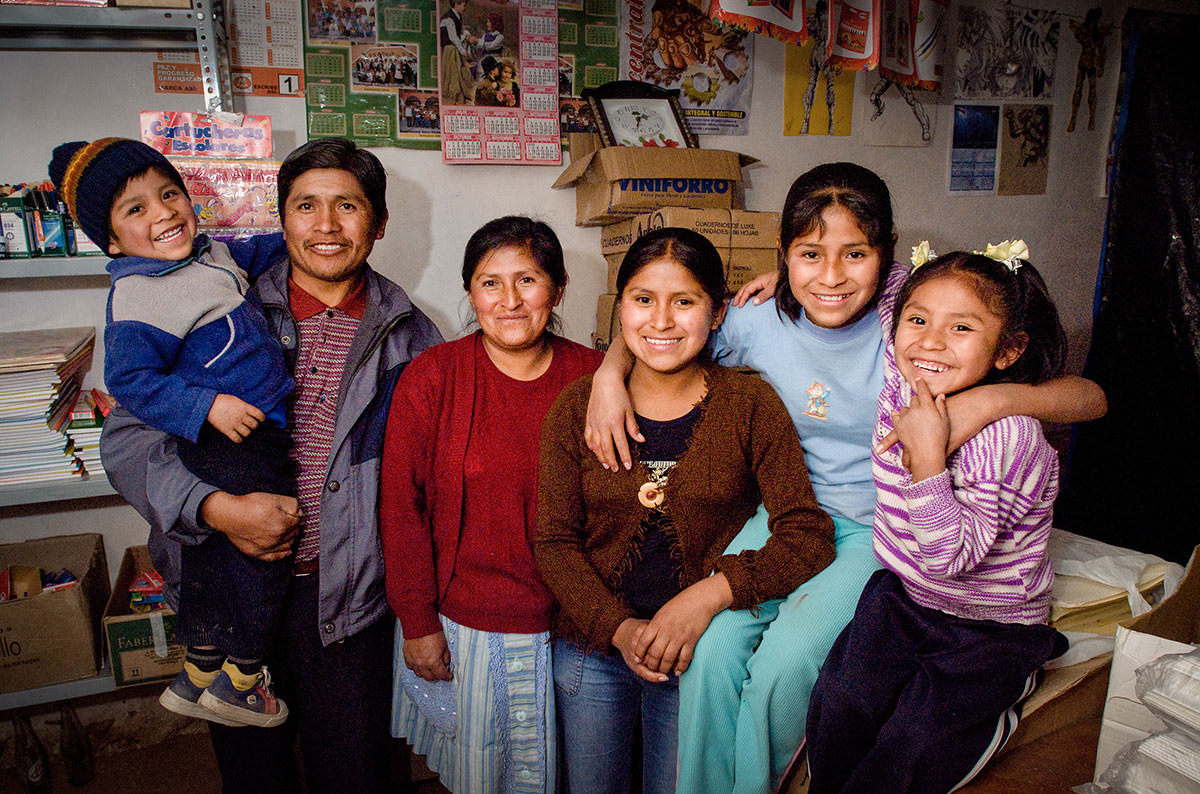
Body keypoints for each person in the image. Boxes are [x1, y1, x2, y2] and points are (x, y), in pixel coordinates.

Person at [585, 163, 1107, 794]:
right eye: (809, 255)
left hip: (878, 527)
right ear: (784, 254)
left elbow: (1090, 398)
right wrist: (607, 376)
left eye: (854, 254)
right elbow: (665, 329)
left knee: (782, 667)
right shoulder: (754, 321)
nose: (830, 278)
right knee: (713, 652)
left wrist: (989, 403)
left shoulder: (906, 324)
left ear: (887, 260)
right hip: (783, 517)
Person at [101, 137, 443, 794]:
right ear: (279, 217)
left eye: (348, 206)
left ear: (378, 223)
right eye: (306, 205)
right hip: (227, 589)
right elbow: (125, 442)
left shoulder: (411, 338)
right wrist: (218, 510)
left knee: (358, 772)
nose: (325, 225)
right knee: (254, 774)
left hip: (345, 605)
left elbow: (423, 484)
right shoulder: (211, 302)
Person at [535, 228, 836, 794]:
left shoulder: (749, 404)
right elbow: (554, 541)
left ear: (718, 311)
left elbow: (807, 534)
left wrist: (710, 595)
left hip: (696, 659)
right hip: (592, 652)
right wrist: (617, 628)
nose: (662, 321)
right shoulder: (578, 406)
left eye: (685, 301)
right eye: (643, 299)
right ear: (619, 307)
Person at [48, 138, 293, 729]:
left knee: (212, 561)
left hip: (247, 429)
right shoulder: (138, 294)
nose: (162, 213)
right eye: (136, 209)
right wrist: (208, 405)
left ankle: (200, 667)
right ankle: (243, 678)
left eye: (169, 194)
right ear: (109, 240)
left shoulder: (211, 255)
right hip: (232, 439)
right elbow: (131, 381)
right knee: (261, 555)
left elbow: (258, 250)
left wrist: (305, 228)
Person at [806, 243, 1068, 793]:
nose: (930, 340)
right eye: (918, 320)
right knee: (840, 701)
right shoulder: (906, 373)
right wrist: (786, 269)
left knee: (916, 740)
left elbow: (952, 557)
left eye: (962, 330)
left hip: (989, 626)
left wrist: (928, 458)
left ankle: (998, 709)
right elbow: (869, 278)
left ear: (1008, 351)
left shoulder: (1009, 436)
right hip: (905, 596)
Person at [379, 216, 602, 793]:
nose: (509, 301)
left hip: (579, 626)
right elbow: (401, 508)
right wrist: (417, 621)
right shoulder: (433, 377)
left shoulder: (596, 377)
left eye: (527, 280)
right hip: (471, 628)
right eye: (489, 283)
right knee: (488, 778)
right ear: (470, 291)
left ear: (557, 288)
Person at [440, 0, 477, 105]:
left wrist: (467, 34)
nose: (465, 8)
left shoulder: (457, 16)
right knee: (453, 73)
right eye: (464, 6)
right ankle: (453, 93)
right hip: (450, 49)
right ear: (456, 4)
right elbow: (453, 37)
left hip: (454, 47)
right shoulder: (448, 18)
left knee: (461, 69)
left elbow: (459, 31)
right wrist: (462, 50)